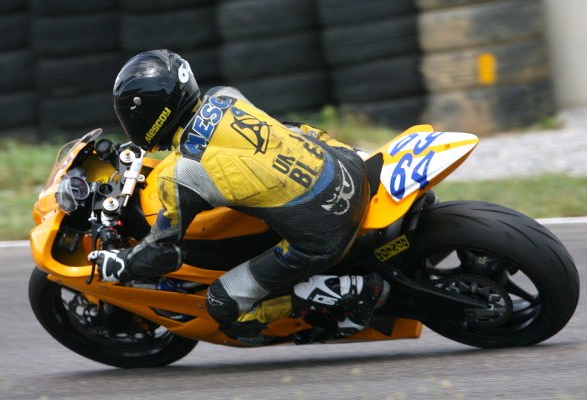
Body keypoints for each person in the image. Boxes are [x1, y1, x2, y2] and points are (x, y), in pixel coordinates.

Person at [88, 49, 389, 344]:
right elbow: (286, 129)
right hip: (350, 166)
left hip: (326, 230)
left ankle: (352, 292)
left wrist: (122, 263)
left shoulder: (182, 173)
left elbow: (164, 254)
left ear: (148, 114)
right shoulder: (224, 96)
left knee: (222, 304)